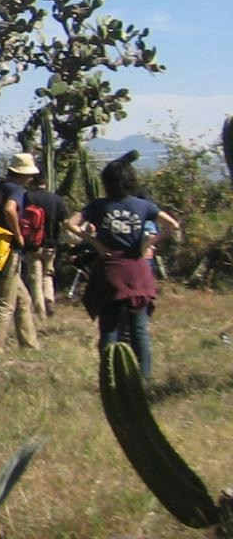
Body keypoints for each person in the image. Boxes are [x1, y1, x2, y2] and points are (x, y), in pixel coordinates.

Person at [67, 151, 180, 381]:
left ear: (106, 182)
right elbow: (172, 225)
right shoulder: (143, 205)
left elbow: (70, 223)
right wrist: (149, 242)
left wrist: (96, 244)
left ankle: (110, 380)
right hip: (138, 270)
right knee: (139, 331)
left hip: (110, 270)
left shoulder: (98, 206)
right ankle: (144, 381)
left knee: (109, 330)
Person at [0, 151, 41, 359]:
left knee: (23, 299)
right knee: (6, 302)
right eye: (29, 174)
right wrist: (19, 235)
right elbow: (9, 209)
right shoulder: (16, 190)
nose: (31, 178)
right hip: (9, 249)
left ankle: (30, 345)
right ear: (22, 174)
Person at [20, 165, 66, 318]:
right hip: (51, 245)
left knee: (35, 278)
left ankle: (41, 313)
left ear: (33, 181)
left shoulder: (27, 197)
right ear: (46, 182)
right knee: (48, 275)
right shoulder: (58, 200)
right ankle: (49, 298)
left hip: (32, 244)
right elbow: (65, 222)